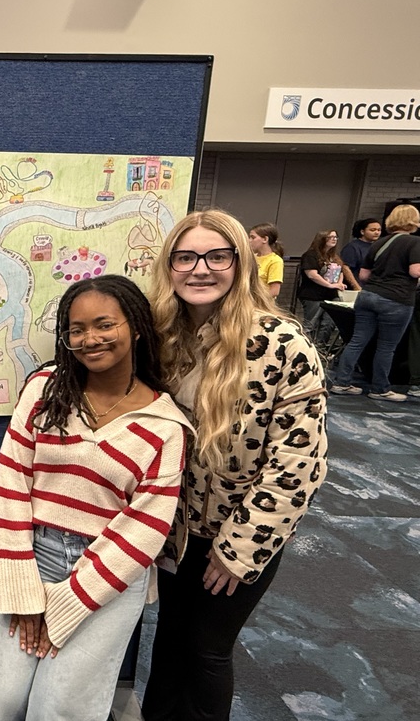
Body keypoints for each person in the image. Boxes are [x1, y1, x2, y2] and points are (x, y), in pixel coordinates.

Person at [141, 209, 328, 721]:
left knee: (206, 649)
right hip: (173, 528)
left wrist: (238, 550)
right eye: (186, 257)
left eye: (216, 256)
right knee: (169, 641)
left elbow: (298, 463)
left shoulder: (284, 345)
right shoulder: (162, 338)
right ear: (170, 266)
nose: (200, 269)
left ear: (240, 263)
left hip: (239, 531)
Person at [0, 275, 191, 721]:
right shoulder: (45, 390)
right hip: (33, 556)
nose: (89, 339)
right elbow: (12, 481)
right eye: (76, 329)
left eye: (103, 325)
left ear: (135, 327)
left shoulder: (165, 425)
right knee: (5, 698)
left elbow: (143, 531)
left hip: (107, 574)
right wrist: (26, 595)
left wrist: (70, 602)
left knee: (57, 711)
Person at [330, 204, 420, 402]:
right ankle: (379, 388)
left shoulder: (380, 243)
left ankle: (341, 383)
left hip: (368, 297)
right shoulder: (414, 243)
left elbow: (363, 275)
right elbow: (415, 272)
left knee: (357, 340)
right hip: (397, 300)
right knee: (386, 346)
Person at [298, 229, 346, 345]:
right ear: (322, 239)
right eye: (330, 237)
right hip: (314, 295)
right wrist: (329, 285)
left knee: (329, 323)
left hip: (331, 295)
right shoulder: (310, 255)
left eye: (335, 237)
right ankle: (306, 346)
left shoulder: (334, 256)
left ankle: (321, 347)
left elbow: (341, 271)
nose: (334, 239)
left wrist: (338, 284)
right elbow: (312, 275)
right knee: (311, 324)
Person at [247, 222, 284, 298]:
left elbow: (274, 291)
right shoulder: (252, 257)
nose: (249, 240)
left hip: (259, 305)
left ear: (265, 239)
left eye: (253, 237)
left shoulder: (275, 261)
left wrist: (254, 300)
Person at [341, 218, 383, 283]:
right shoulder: (352, 247)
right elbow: (345, 269)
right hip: (356, 284)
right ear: (362, 232)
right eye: (372, 230)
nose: (377, 232)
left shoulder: (378, 246)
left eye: (379, 230)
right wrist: (356, 286)